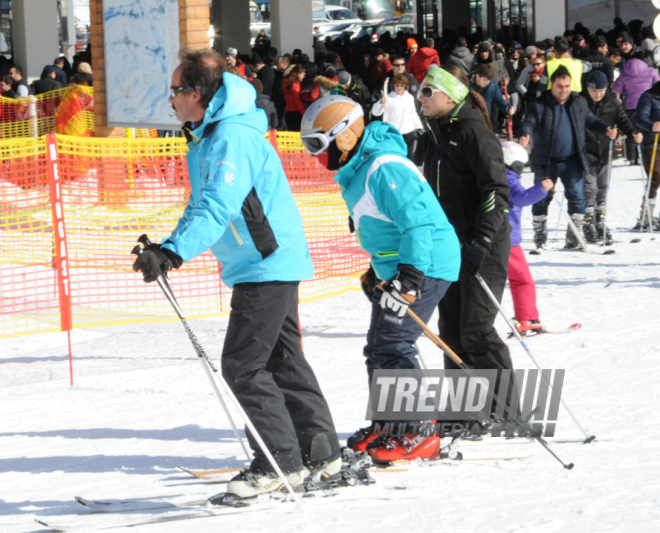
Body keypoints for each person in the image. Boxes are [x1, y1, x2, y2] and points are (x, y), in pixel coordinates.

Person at [132, 48, 341, 497]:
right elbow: (201, 204)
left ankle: (277, 462)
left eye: (175, 91)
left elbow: (218, 204)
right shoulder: (212, 134)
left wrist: (173, 254)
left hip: (265, 262)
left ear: (197, 93)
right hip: (262, 261)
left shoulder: (231, 136)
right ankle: (320, 452)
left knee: (243, 365)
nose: (170, 99)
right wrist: (168, 247)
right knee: (282, 361)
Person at [300, 94, 460, 461]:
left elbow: (417, 224)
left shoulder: (384, 167)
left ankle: (419, 430)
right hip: (401, 267)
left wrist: (409, 278)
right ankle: (392, 424)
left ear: (343, 137)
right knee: (378, 346)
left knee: (394, 345)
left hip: (428, 263)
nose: (314, 155)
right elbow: (383, 227)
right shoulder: (358, 167)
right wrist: (378, 272)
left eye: (317, 145)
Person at [415, 65, 514, 419]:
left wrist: (482, 237)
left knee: (476, 328)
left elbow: (496, 190)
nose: (421, 98)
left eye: (428, 92)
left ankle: (503, 409)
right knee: (451, 326)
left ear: (450, 96)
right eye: (420, 91)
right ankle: (463, 412)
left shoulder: (473, 132)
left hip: (481, 245)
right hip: (451, 247)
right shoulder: (436, 134)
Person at [520, 65, 616, 251]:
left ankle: (574, 235)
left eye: (566, 86)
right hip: (547, 160)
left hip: (572, 159)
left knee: (578, 197)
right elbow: (529, 121)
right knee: (541, 197)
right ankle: (540, 233)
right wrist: (525, 133)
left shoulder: (579, 103)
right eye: (560, 86)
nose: (564, 90)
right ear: (552, 85)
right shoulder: (539, 104)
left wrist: (606, 128)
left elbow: (591, 120)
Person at [583, 70, 642, 243]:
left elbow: (623, 119)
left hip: (604, 151)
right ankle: (588, 223)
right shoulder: (580, 102)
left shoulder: (612, 101)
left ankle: (600, 221)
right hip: (585, 150)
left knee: (602, 188)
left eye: (600, 90)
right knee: (589, 189)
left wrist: (633, 133)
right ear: (587, 89)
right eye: (594, 91)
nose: (597, 94)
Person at [501, 141, 553, 335]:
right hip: (508, 239)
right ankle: (528, 317)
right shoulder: (509, 179)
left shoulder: (490, 174)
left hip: (489, 236)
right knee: (522, 280)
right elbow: (522, 198)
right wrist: (543, 188)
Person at [612, 53, 660, 166]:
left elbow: (616, 92)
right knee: (647, 130)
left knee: (632, 132)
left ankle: (632, 158)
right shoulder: (651, 71)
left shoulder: (623, 74)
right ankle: (645, 155)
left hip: (630, 106)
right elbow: (657, 85)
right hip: (648, 104)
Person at [371, 74, 424, 159]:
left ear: (405, 86)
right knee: (395, 156)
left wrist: (419, 127)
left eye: (402, 85)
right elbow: (375, 112)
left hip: (408, 132)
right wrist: (381, 102)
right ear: (393, 86)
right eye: (397, 85)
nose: (399, 87)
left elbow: (413, 114)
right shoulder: (388, 98)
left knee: (409, 156)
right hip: (394, 133)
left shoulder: (409, 97)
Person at [634, 80, 660, 230]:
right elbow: (640, 118)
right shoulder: (649, 96)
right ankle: (646, 216)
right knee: (655, 177)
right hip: (652, 143)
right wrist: (651, 125)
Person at [282, 64, 306, 131]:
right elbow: (298, 102)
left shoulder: (287, 83)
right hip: (296, 114)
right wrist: (305, 113)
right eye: (303, 73)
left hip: (288, 112)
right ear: (298, 73)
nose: (304, 76)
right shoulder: (296, 86)